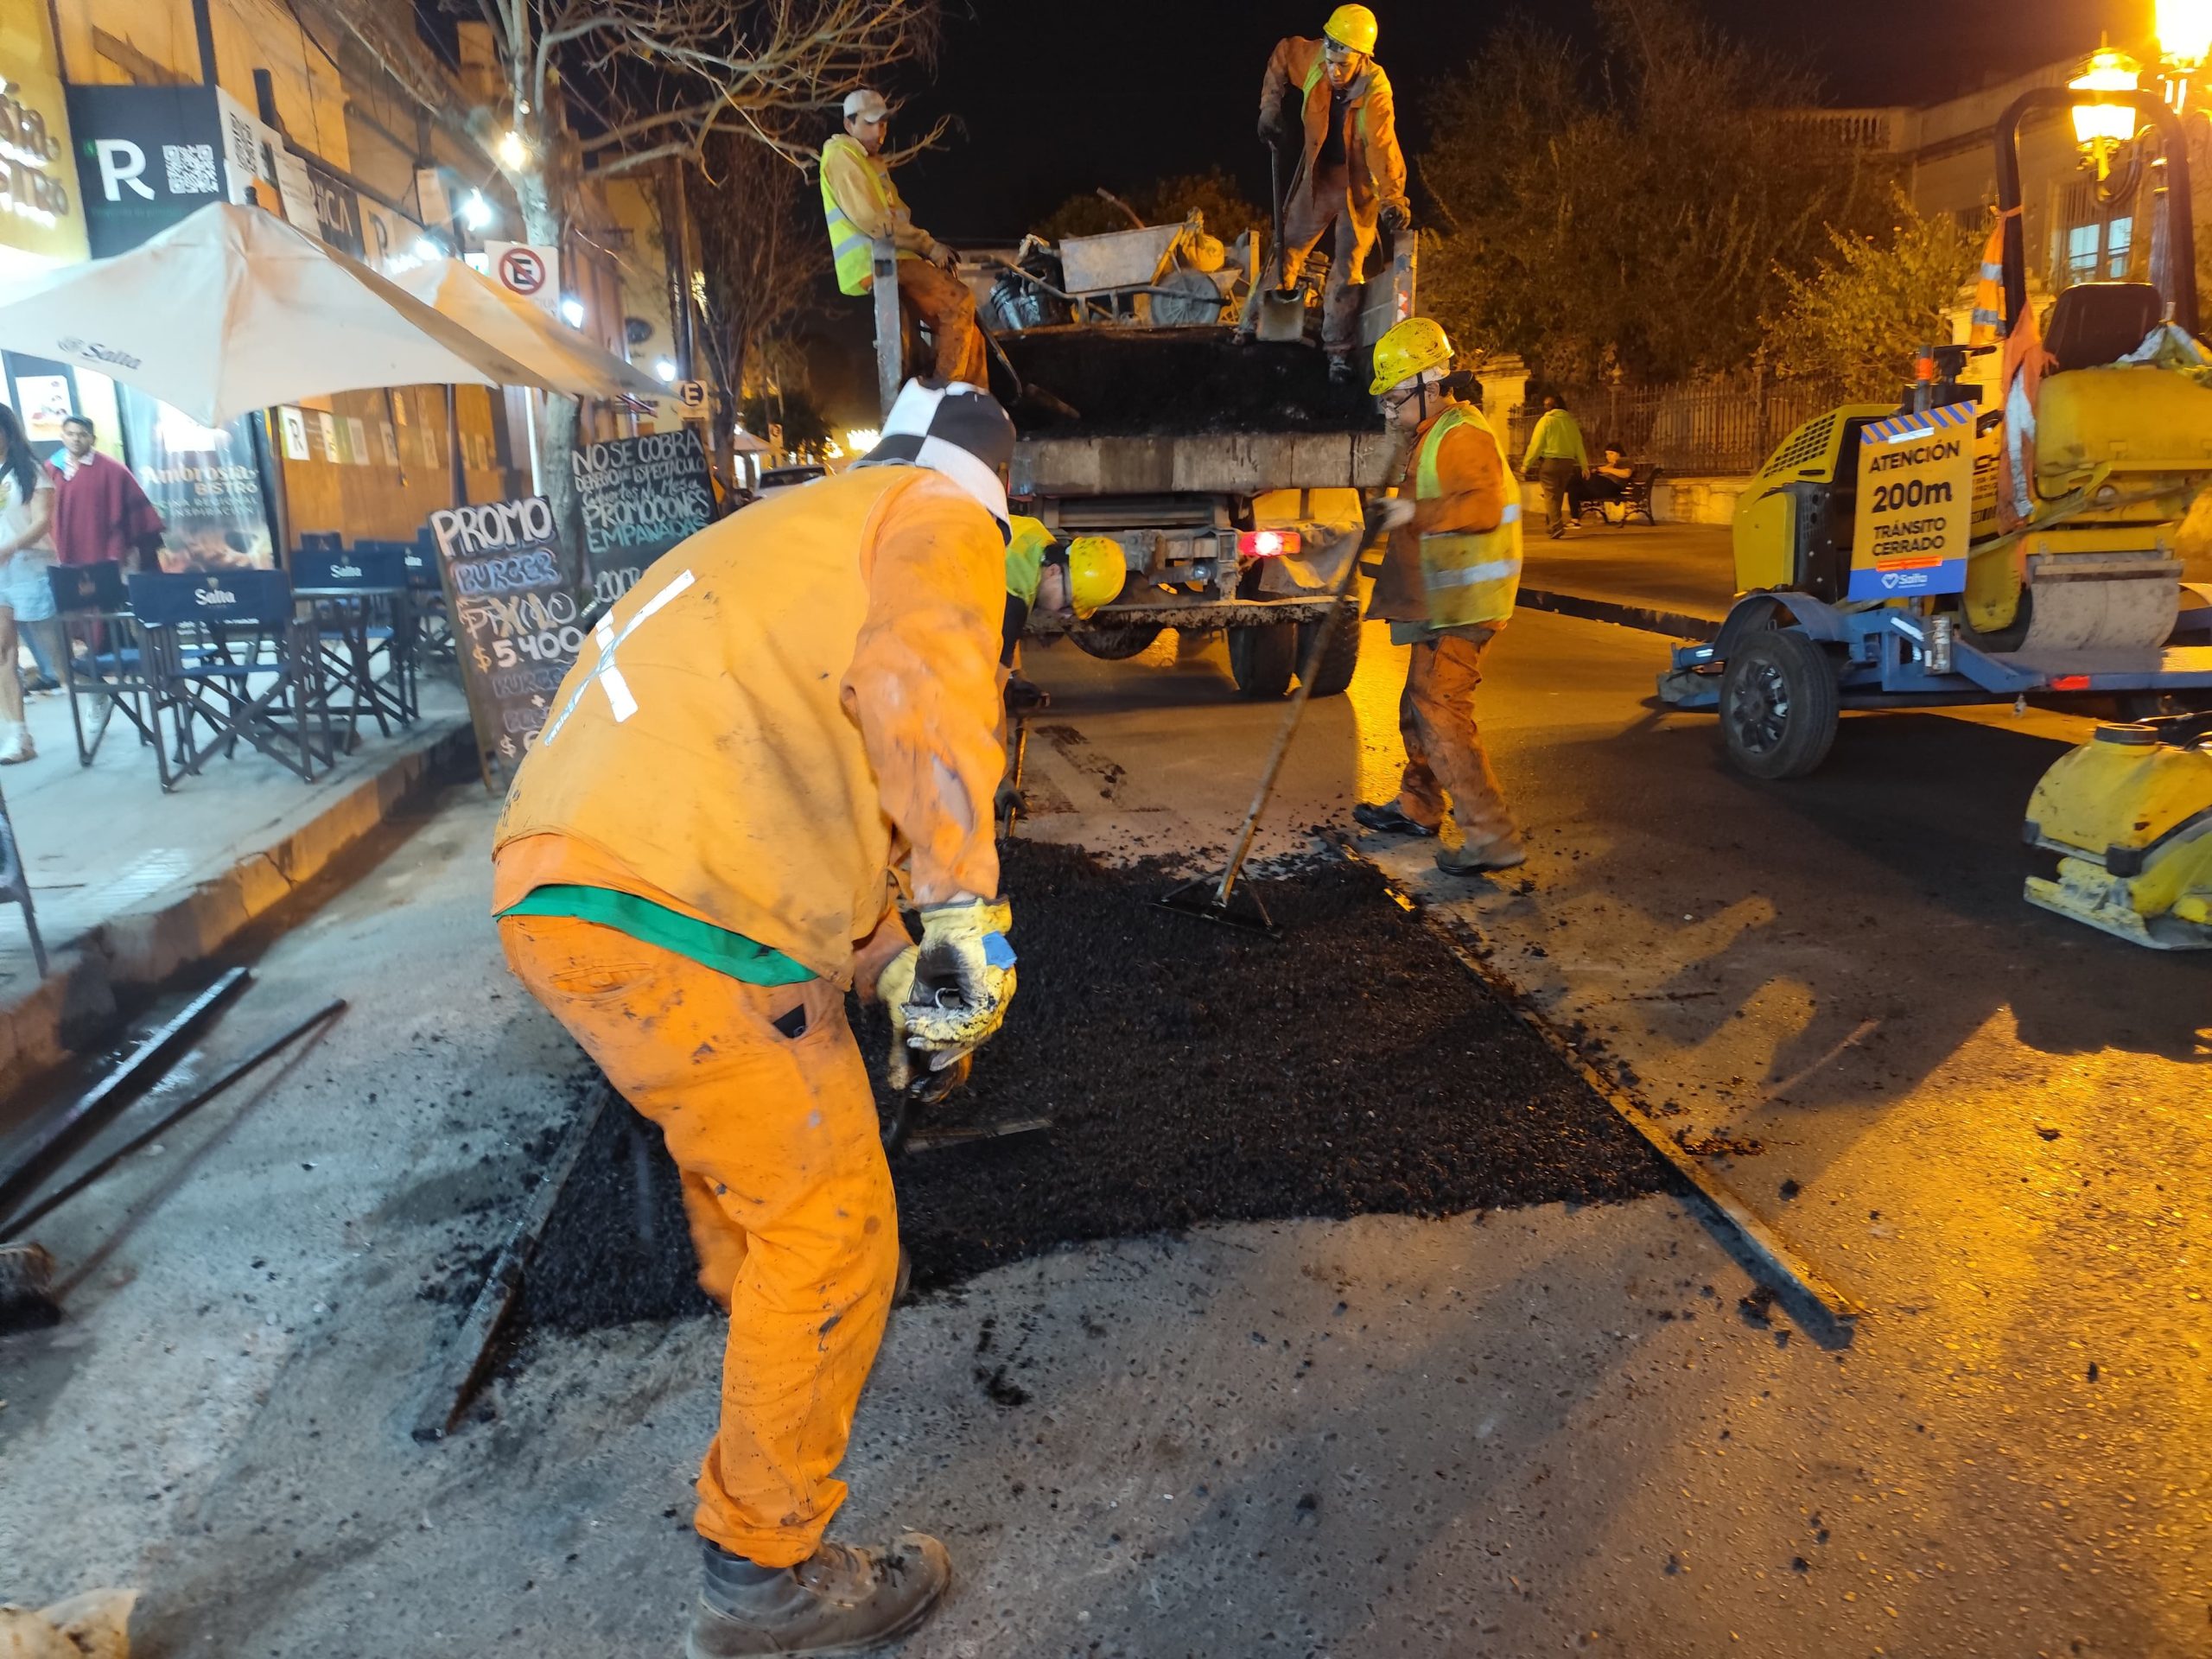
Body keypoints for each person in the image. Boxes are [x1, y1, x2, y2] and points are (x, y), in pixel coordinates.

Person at [493, 379, 1017, 1659]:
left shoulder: (786, 534)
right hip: (690, 908)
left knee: (763, 1196)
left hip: (565, 892)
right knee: (836, 1236)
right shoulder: (937, 516)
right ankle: (763, 1571)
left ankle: (762, 1362)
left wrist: (897, 968)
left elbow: (813, 834)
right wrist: (960, 920)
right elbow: (922, 694)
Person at [1351, 319, 1527, 873]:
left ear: (1433, 382)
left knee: (1441, 713)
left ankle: (1492, 837)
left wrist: (1412, 513)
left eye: (1398, 396)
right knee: (1417, 707)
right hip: (1442, 603)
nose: (1390, 409)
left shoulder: (1462, 435)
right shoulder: (1432, 433)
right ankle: (1418, 806)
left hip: (1464, 606)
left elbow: (1482, 508)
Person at [1252, 5, 1410, 378]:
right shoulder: (1315, 58)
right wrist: (1269, 108)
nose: (1335, 70)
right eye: (1331, 58)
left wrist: (1392, 199)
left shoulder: (1376, 90)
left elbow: (1383, 147)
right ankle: (1259, 326)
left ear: (1362, 57)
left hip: (1357, 187)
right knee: (1286, 246)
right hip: (1320, 177)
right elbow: (1282, 54)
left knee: (1347, 268)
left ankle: (1337, 352)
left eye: (1343, 63)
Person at [820, 89, 988, 388]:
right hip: (877, 262)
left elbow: (899, 216)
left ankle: (974, 401)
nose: (879, 132)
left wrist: (924, 250)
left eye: (883, 124)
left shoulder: (872, 163)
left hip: (897, 259)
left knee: (969, 329)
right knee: (960, 300)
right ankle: (943, 398)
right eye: (870, 123)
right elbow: (875, 222)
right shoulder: (841, 156)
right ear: (849, 125)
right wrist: (928, 246)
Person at [0, 404, 59, 753]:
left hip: (30, 566)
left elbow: (42, 523)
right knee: (4, 652)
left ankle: (91, 690)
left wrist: (9, 548)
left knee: (55, 655)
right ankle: (18, 734)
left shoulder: (30, 471)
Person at [50, 416, 164, 574]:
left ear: (93, 439)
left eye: (82, 435)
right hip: (62, 546)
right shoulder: (51, 468)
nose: (75, 439)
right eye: (70, 434)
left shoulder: (114, 470)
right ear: (62, 437)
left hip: (102, 546)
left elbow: (138, 514)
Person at [1522, 392, 1588, 538]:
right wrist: (1584, 466)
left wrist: (1526, 465)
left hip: (1550, 462)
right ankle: (1553, 525)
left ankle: (1557, 526)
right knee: (1557, 495)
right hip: (1567, 463)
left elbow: (1536, 445)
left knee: (1550, 495)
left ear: (1550, 407)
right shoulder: (1571, 422)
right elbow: (1579, 445)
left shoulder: (1546, 421)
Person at [1583, 442, 1633, 522]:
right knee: (1575, 489)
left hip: (1614, 488)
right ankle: (1574, 520)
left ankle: (1567, 483)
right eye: (1606, 454)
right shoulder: (1613, 464)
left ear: (1619, 453)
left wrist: (1606, 470)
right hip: (1604, 488)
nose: (1608, 456)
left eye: (1611, 454)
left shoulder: (1624, 460)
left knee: (1580, 479)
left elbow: (1626, 473)